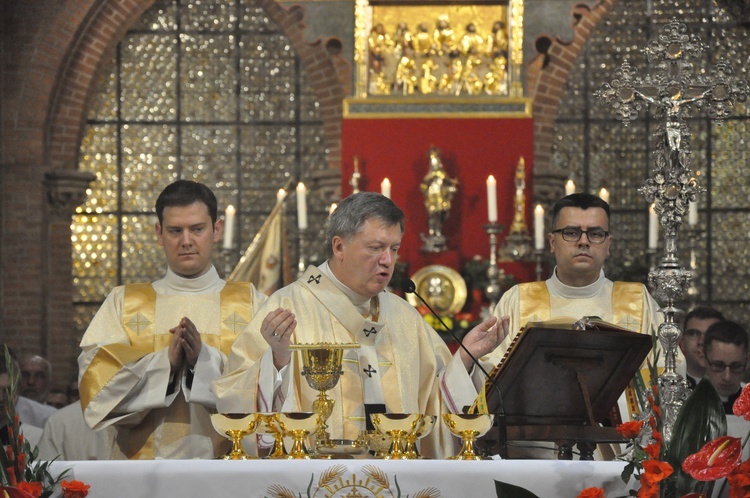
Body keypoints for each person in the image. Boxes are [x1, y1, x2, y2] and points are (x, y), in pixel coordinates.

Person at [213, 192, 507, 459]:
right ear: (339, 246)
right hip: (317, 478)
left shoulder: (404, 316)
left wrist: (466, 357)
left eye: (394, 248)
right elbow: (235, 397)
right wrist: (276, 361)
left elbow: (436, 402)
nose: (387, 261)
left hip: (396, 476)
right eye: (376, 248)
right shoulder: (288, 306)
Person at [77, 180, 267, 459]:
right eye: (175, 231)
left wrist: (202, 361)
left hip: (227, 470)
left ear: (216, 230)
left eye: (197, 229)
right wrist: (165, 364)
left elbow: (270, 388)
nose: (186, 240)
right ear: (159, 233)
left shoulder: (251, 303)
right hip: (142, 472)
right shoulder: (124, 303)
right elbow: (94, 386)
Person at [492, 193, 663, 458]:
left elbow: (668, 375)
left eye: (595, 233)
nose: (584, 242)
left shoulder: (638, 301)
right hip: (535, 456)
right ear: (552, 242)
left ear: (608, 244)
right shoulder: (519, 300)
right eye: (571, 232)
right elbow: (492, 378)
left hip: (621, 457)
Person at [702, 320, 748, 414]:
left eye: (736, 366)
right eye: (718, 365)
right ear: (704, 359)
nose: (727, 377)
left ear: (748, 361)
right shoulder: (687, 404)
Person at [679, 306, 725, 388]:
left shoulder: (744, 394)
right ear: (682, 344)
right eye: (694, 334)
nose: (701, 341)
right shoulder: (663, 390)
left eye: (710, 334)